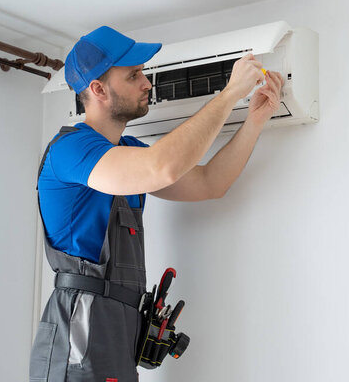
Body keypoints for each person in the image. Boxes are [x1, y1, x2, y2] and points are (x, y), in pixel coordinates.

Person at [29, 26, 284, 382]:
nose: (147, 83)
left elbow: (211, 182)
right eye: (134, 75)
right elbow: (161, 167)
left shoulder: (129, 151)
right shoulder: (70, 150)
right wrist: (228, 95)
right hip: (80, 331)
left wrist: (256, 119)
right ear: (98, 89)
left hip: (117, 331)